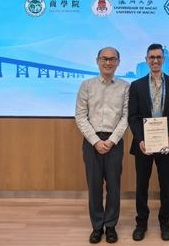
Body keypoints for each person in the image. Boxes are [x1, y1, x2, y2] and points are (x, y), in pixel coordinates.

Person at [75, 47, 129, 244]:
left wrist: (112, 140)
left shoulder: (125, 87)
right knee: (94, 187)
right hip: (92, 142)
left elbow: (126, 117)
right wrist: (96, 141)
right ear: (97, 61)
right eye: (104, 59)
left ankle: (111, 226)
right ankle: (97, 227)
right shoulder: (86, 85)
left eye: (112, 59)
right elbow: (80, 116)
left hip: (115, 142)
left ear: (118, 62)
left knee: (114, 187)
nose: (108, 62)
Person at [128, 44, 169, 241]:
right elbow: (133, 116)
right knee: (141, 184)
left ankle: (164, 222)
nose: (155, 60)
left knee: (165, 184)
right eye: (152, 57)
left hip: (165, 142)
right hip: (143, 144)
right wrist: (140, 139)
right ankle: (141, 223)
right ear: (146, 60)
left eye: (159, 57)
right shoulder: (136, 85)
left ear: (164, 59)